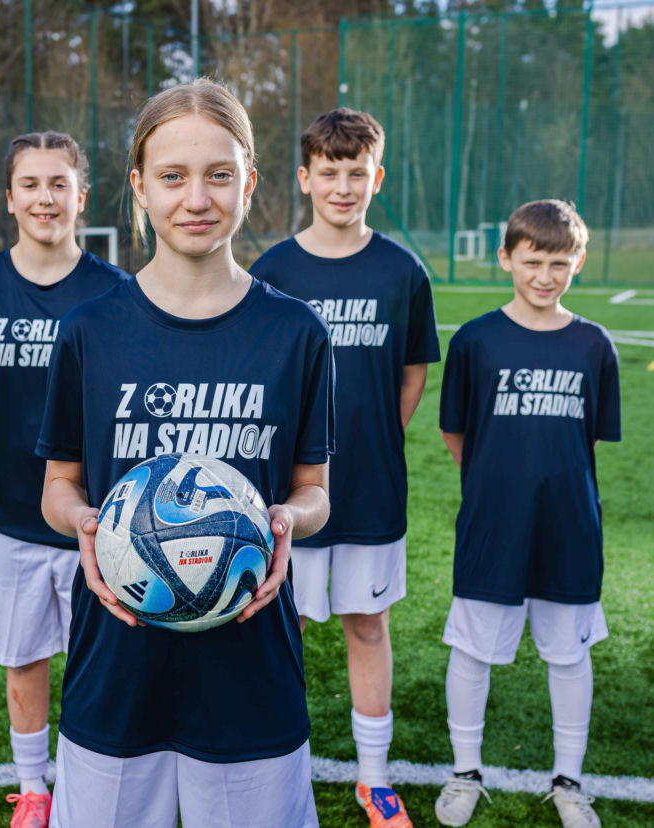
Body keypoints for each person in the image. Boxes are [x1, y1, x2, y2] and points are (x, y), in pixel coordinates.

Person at [36, 78, 334, 828]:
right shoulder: (90, 330)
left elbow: (315, 490)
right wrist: (85, 523)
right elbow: (58, 486)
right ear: (138, 186)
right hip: (117, 664)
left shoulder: (295, 332)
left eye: (219, 174)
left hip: (250, 669)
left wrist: (289, 520)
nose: (195, 198)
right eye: (172, 176)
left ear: (251, 182)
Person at [250, 107, 439, 828]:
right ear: (304, 178)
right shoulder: (273, 269)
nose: (342, 185)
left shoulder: (401, 270)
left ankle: (373, 775)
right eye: (328, 172)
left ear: (376, 177)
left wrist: (372, 441)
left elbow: (413, 374)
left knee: (366, 625)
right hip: (288, 496)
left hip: (368, 491)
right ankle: (281, 764)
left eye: (356, 172)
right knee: (282, 629)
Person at [0, 132, 126, 828]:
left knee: (97, 659)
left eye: (59, 184)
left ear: (82, 197)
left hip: (95, 513)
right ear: (10, 199)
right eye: (30, 184)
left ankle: (83, 779)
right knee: (24, 659)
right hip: (12, 512)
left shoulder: (115, 290)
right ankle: (33, 788)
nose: (45, 197)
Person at [435, 199, 620, 828]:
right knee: (473, 648)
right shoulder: (475, 341)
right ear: (506, 257)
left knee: (569, 654)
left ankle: (569, 779)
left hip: (569, 526)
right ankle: (465, 771)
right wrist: (499, 486)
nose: (545, 275)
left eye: (560, 263)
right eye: (533, 261)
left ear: (579, 263)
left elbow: (586, 443)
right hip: (493, 523)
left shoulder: (595, 344)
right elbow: (458, 436)